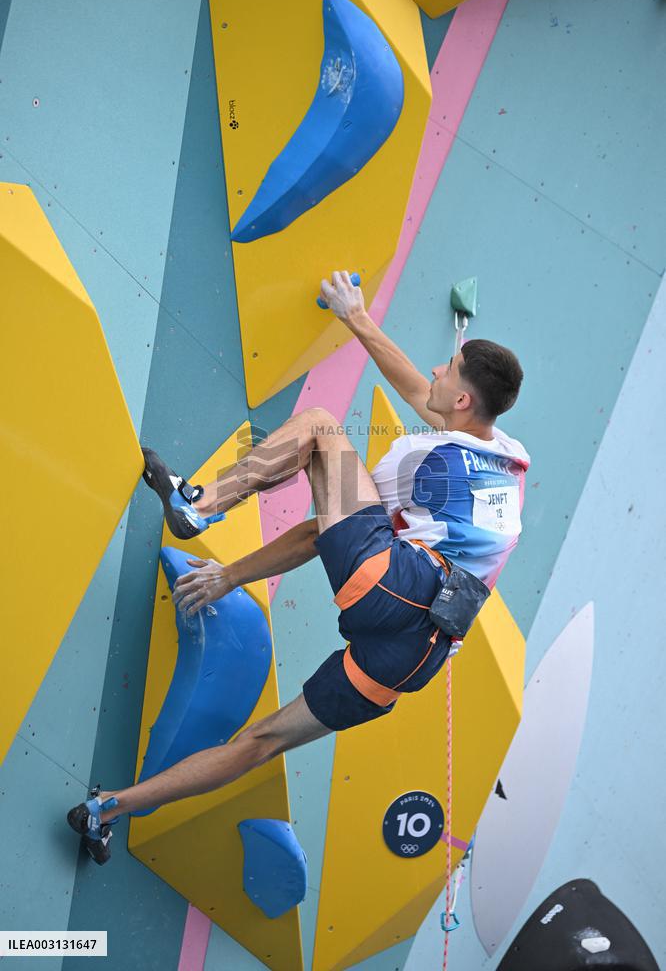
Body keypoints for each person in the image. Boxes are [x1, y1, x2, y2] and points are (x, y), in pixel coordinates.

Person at [67, 271, 529, 863]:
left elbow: (322, 531)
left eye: (446, 368)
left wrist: (352, 314)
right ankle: (107, 810)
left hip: (396, 588)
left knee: (317, 427)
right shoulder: (509, 459)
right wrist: (355, 318)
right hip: (414, 659)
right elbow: (421, 396)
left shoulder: (431, 461)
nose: (434, 371)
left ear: (463, 400)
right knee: (262, 744)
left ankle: (198, 504)